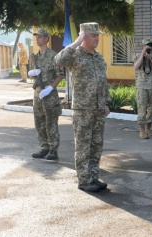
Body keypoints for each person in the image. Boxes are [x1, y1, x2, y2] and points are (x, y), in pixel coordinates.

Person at [55, 22, 111, 192]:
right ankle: (84, 180)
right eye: (93, 35)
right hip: (83, 108)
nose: (97, 38)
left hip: (99, 108)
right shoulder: (75, 55)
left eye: (97, 35)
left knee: (96, 145)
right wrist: (76, 42)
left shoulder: (99, 57)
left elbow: (103, 82)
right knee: (83, 145)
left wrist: (107, 102)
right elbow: (58, 60)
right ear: (83, 36)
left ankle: (93, 177)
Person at [29, 29, 64, 160]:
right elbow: (34, 76)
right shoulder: (35, 57)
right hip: (38, 94)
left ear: (46, 39)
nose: (37, 39)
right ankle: (44, 147)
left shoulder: (54, 56)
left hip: (49, 94)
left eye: (40, 37)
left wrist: (50, 88)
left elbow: (60, 75)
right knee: (39, 121)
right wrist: (31, 74)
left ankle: (53, 149)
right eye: (36, 37)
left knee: (51, 122)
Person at [133, 38, 152, 139]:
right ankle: (141, 130)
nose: (149, 48)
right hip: (142, 87)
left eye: (150, 47)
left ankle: (148, 128)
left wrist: (151, 59)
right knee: (142, 108)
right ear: (143, 47)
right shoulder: (138, 56)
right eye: (147, 47)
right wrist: (142, 55)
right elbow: (135, 67)